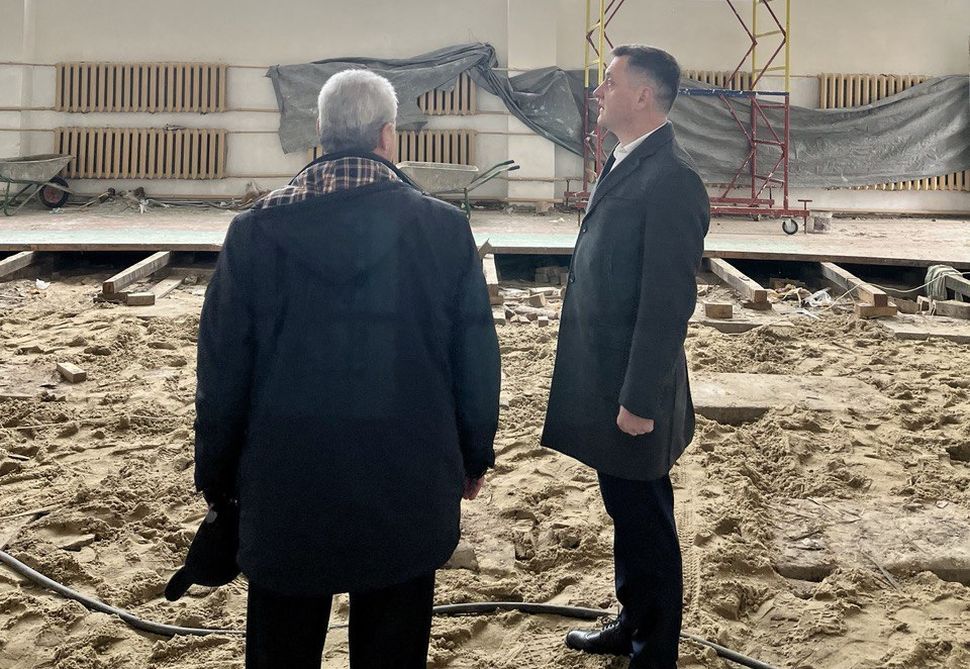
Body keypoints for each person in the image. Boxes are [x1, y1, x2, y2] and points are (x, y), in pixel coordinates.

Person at [193, 69, 501, 669]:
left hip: (286, 484)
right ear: (387, 136)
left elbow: (222, 370)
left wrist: (218, 474)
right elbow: (475, 359)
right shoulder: (443, 229)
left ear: (320, 132)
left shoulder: (254, 232)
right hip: (405, 479)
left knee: (281, 648)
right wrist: (473, 456)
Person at [541, 45, 710, 668]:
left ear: (643, 95)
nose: (599, 92)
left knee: (645, 517)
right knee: (626, 508)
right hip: (607, 373)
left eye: (609, 82)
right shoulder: (627, 159)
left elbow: (667, 303)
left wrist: (639, 399)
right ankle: (632, 621)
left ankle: (653, 650)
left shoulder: (672, 179)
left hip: (635, 386)